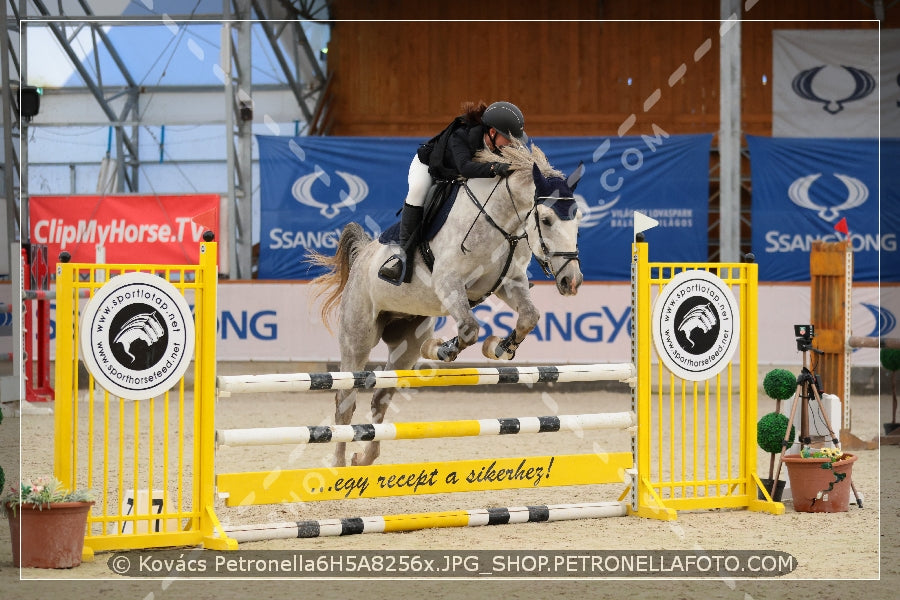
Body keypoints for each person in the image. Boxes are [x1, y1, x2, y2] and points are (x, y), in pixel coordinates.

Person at [378, 100, 529, 285]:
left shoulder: (502, 145)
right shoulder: (462, 136)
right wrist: (495, 167)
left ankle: (508, 269)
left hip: (454, 175)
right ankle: (402, 259)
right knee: (418, 192)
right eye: (509, 138)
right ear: (492, 132)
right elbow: (465, 168)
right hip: (429, 167)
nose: (513, 144)